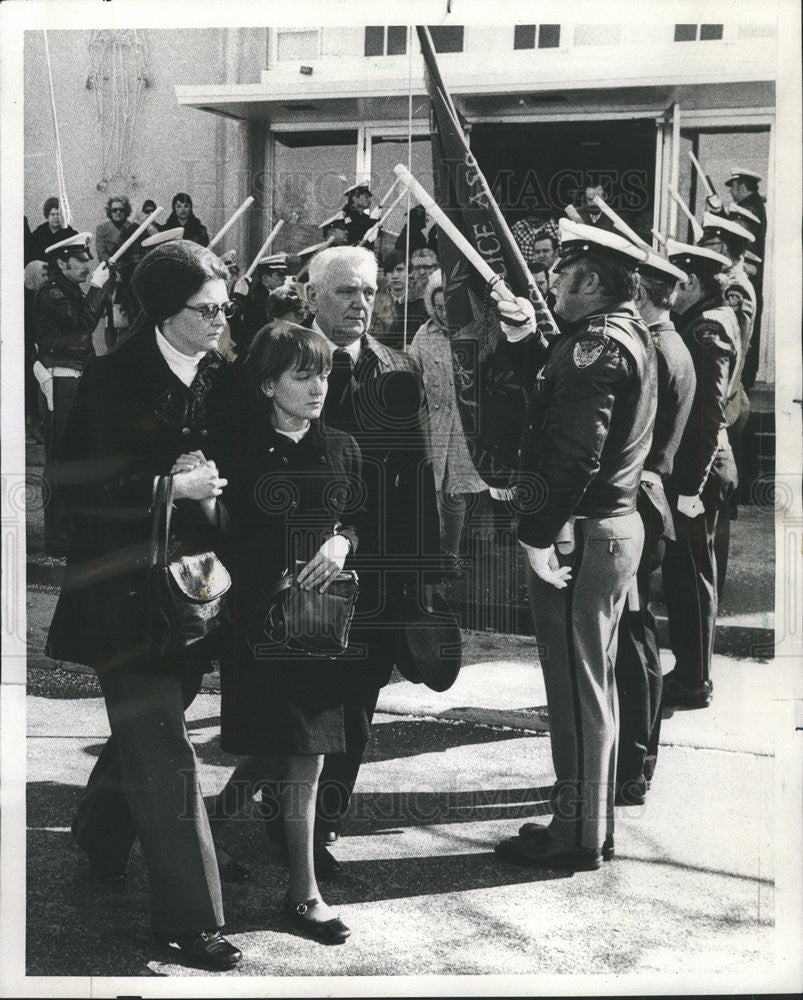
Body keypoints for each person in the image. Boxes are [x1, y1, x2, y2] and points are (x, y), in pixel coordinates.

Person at [45, 240, 241, 970]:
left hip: (199, 593)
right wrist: (169, 488)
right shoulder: (110, 378)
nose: (221, 319)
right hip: (123, 595)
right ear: (164, 311)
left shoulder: (224, 375)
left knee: (148, 728)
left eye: (226, 306)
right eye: (207, 309)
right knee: (164, 745)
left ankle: (99, 832)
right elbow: (71, 493)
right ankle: (189, 921)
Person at [259, 246, 439, 873]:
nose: (360, 303)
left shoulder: (395, 370)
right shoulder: (279, 357)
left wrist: (424, 577)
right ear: (310, 297)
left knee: (357, 706)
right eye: (343, 292)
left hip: (374, 570)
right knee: (297, 703)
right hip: (292, 573)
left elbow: (417, 480)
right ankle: (279, 817)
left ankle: (319, 827)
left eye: (369, 291)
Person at [494, 218, 657, 871]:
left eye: (558, 273)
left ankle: (578, 836)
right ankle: (585, 822)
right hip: (606, 528)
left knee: (576, 689)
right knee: (592, 686)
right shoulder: (614, 336)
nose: (548, 283)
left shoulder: (594, 348)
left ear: (589, 279)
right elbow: (557, 393)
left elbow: (571, 454)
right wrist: (521, 338)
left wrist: (538, 534)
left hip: (580, 531)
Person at [210, 322, 361, 944]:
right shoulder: (234, 446)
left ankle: (235, 838)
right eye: (303, 375)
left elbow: (360, 522)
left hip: (321, 628)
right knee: (290, 750)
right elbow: (219, 533)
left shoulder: (345, 446)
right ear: (268, 383)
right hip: (256, 622)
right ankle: (296, 889)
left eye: (324, 373)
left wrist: (341, 540)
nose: (318, 386)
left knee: (300, 749)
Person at [613, 249, 695, 804]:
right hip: (650, 498)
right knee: (639, 638)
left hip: (638, 499)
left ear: (640, 293)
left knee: (633, 642)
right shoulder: (671, 343)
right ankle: (639, 759)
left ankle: (633, 764)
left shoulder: (656, 350)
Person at [661, 240, 741, 710]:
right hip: (704, 467)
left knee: (689, 578)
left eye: (675, 282)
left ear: (691, 282)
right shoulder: (711, 318)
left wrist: (690, 487)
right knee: (691, 574)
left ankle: (693, 680)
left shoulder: (707, 328)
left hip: (700, 471)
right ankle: (692, 672)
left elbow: (708, 413)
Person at [33, 233, 113, 555]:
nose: (86, 264)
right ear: (62, 263)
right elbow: (82, 326)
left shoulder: (69, 292)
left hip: (75, 376)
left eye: (86, 258)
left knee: (77, 452)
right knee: (61, 455)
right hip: (60, 377)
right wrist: (96, 288)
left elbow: (84, 331)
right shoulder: (51, 293)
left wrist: (101, 287)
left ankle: (71, 528)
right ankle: (58, 535)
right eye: (79, 260)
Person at [408, 269, 489, 569]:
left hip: (464, 426)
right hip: (432, 424)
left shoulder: (477, 332)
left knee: (455, 493)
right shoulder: (423, 334)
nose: (443, 313)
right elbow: (412, 372)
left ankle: (451, 555)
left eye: (449, 307)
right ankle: (430, 553)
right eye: (438, 307)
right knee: (432, 491)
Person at [723, 167, 766, 389]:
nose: (731, 192)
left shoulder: (749, 210)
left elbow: (741, 242)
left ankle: (742, 380)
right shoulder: (755, 206)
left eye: (733, 187)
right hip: (749, 275)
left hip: (747, 274)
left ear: (741, 185)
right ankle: (744, 378)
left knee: (742, 329)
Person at [369, 250, 427, 350]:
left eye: (400, 270)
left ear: (409, 272)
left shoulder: (421, 302)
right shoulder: (377, 301)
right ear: (385, 275)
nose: (395, 276)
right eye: (390, 271)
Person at [28, 196, 78, 262]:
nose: (56, 217)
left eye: (58, 214)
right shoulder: (39, 233)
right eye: (52, 214)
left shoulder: (71, 234)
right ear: (47, 216)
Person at [340, 180, 377, 246]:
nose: (370, 200)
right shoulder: (346, 216)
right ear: (355, 198)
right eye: (366, 197)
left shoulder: (365, 217)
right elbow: (356, 236)